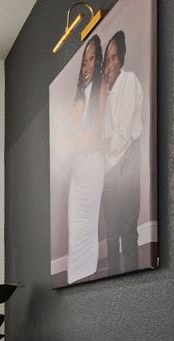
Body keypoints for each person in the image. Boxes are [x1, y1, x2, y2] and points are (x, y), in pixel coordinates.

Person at [101, 30, 144, 275]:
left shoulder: (129, 81)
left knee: (127, 228)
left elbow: (122, 134)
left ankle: (132, 281)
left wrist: (104, 145)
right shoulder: (108, 94)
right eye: (106, 60)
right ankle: (113, 283)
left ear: (122, 58)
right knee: (111, 232)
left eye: (114, 57)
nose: (110, 64)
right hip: (110, 167)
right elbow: (104, 135)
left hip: (128, 160)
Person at [65, 35, 107, 284]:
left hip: (92, 166)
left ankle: (88, 273)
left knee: (88, 226)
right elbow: (69, 136)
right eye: (84, 61)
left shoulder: (101, 89)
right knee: (75, 228)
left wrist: (79, 140)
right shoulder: (80, 97)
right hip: (78, 169)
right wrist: (78, 139)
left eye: (92, 59)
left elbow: (95, 134)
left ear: (98, 61)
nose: (87, 66)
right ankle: (76, 277)